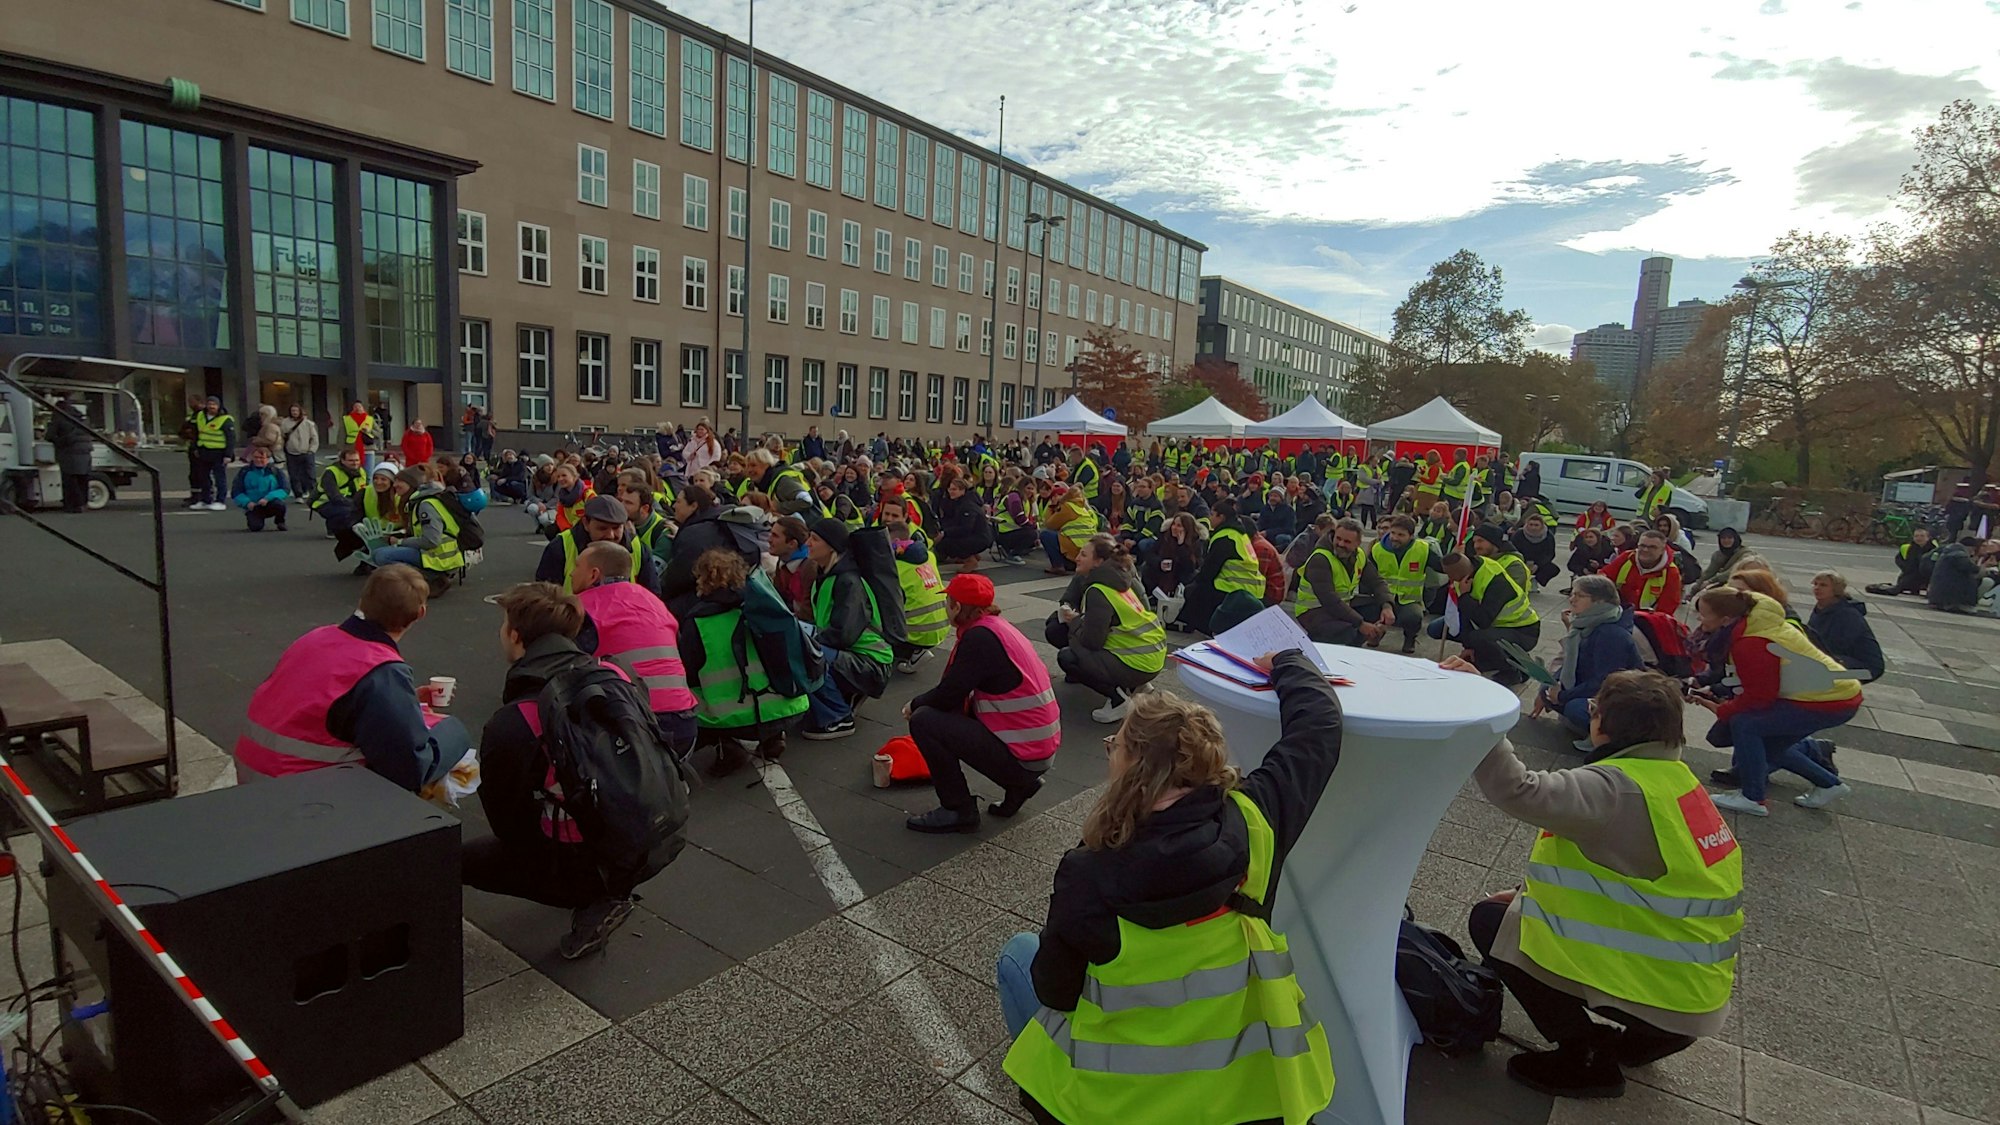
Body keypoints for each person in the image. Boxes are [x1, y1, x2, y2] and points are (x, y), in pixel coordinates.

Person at [998, 653, 1340, 1125]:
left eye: (1113, 746)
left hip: (1119, 1105)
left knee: (1018, 955)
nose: (1109, 753)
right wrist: (1287, 659)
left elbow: (1056, 990)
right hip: (1246, 1096)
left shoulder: (1089, 871)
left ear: (1135, 767)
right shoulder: (1257, 820)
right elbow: (1319, 728)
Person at [1469, 671, 1740, 1099]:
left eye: (1595, 709)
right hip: (1692, 1000)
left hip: (1654, 999)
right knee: (1513, 908)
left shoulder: (1615, 789)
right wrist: (1525, 897)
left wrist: (1481, 714)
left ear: (1604, 725)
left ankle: (1583, 1058)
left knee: (1490, 921)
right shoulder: (1675, 781)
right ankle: (1631, 1042)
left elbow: (1517, 788)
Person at [463, 582, 672, 959]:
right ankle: (608, 884)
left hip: (586, 858)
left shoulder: (516, 721)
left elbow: (507, 825)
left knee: (460, 861)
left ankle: (595, 897)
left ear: (515, 635)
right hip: (657, 835)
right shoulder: (617, 675)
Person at [232, 564, 470, 789]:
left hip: (255, 777)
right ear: (420, 613)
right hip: (302, 793)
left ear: (362, 602)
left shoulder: (316, 638)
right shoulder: (381, 669)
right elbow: (410, 768)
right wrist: (455, 731)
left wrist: (407, 702)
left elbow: (324, 704)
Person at [901, 573, 1061, 833]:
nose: (945, 607)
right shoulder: (997, 627)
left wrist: (914, 704)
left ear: (957, 607)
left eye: (948, 602)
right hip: (1037, 749)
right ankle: (1021, 785)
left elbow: (948, 694)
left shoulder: (979, 639)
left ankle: (958, 809)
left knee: (924, 720)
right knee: (944, 715)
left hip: (1023, 756)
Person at [1693, 587, 1859, 814]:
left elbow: (1760, 696)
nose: (1698, 619)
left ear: (1725, 619)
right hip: (1837, 693)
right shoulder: (1756, 620)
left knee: (1745, 725)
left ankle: (1753, 798)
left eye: (1703, 614)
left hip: (1826, 699)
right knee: (1769, 746)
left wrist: (1723, 710)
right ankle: (1829, 784)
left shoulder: (1750, 641)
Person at [681, 548, 811, 776]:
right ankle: (773, 737)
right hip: (789, 708)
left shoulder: (698, 621)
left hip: (734, 717)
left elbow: (689, 671)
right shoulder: (763, 607)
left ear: (703, 580)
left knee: (687, 694)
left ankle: (727, 746)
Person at [801, 518, 895, 740]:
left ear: (832, 546)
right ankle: (842, 699)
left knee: (804, 654)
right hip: (859, 657)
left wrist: (807, 639)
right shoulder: (827, 576)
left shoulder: (847, 581)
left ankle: (838, 716)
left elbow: (844, 634)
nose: (808, 543)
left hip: (872, 662)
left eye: (814, 539)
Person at [1056, 536, 1168, 723]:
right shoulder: (1119, 580)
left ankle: (1118, 701)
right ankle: (1135, 687)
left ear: (1098, 562)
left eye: (1083, 554)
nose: (1077, 558)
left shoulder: (1098, 590)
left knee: (1068, 657)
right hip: (1152, 656)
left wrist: (1074, 622)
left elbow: (1092, 641)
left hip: (1138, 662)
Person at [1531, 576, 1643, 747]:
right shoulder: (1586, 624)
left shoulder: (1611, 634)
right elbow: (1572, 661)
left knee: (1574, 707)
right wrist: (1554, 686)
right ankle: (1589, 727)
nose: (1572, 599)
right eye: (1572, 593)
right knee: (1547, 689)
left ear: (1599, 602)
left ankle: (1615, 737)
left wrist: (1563, 695)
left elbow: (1606, 681)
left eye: (1580, 595)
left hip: (1622, 698)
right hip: (1594, 687)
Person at [1295, 517, 1404, 648]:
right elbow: (1329, 599)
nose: (1341, 544)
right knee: (1349, 632)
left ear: (1358, 543)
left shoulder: (1359, 555)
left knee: (1378, 608)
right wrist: (1360, 624)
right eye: (1338, 538)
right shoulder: (1320, 558)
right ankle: (1324, 646)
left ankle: (1359, 640)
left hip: (1340, 605)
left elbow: (1377, 581)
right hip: (1313, 611)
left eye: (1347, 541)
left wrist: (1387, 606)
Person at [1439, 550, 1541, 682]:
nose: (1449, 579)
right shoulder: (1465, 577)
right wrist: (1468, 647)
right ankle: (1505, 658)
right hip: (1500, 627)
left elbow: (1483, 619)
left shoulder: (1494, 579)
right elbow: (1463, 615)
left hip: (1523, 629)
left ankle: (1515, 671)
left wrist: (1465, 596)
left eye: (1449, 575)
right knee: (1469, 639)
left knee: (1479, 637)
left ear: (1458, 573)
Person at [535, 494, 663, 594]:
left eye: (616, 528)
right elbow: (546, 599)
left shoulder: (638, 547)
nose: (610, 535)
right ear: (586, 523)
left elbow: (652, 594)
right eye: (602, 528)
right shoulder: (560, 547)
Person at [369, 468, 467, 593]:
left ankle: (431, 578)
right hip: (433, 553)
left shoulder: (425, 505)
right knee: (379, 553)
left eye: (400, 481)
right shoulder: (419, 501)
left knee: (382, 556)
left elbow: (431, 541)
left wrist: (399, 542)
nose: (395, 485)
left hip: (438, 557)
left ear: (412, 484)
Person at [1177, 498, 1264, 635]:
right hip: (1251, 587)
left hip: (1234, 586)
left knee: (1195, 590)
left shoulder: (1225, 537)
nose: (1210, 518)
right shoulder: (1238, 534)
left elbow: (1210, 569)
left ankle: (1204, 627)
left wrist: (1193, 581)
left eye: (1212, 514)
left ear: (1221, 517)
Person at [881, 500, 948, 672]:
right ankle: (915, 650)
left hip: (918, 631)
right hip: (942, 624)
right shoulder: (928, 556)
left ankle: (909, 652)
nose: (888, 518)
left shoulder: (896, 568)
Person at [1368, 514, 1440, 655]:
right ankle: (1376, 633)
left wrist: (1456, 556)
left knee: (1413, 616)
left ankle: (1410, 639)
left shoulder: (1423, 549)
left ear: (1411, 536)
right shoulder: (1377, 550)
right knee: (1365, 610)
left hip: (1408, 600)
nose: (1394, 537)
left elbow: (1441, 566)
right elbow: (1368, 576)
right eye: (1393, 533)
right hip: (1382, 598)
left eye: (1401, 535)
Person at [1805, 571, 1884, 683]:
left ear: (1836, 589)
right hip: (1839, 657)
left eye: (1823, 585)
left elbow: (1836, 645)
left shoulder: (1847, 614)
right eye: (1815, 584)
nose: (1817, 588)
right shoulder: (1822, 607)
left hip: (1863, 666)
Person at [1601, 531, 1683, 615]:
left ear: (1662, 550)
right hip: (1616, 614)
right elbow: (1601, 581)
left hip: (1648, 620)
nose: (1645, 550)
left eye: (1652, 547)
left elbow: (1666, 609)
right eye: (1642, 545)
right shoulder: (1626, 558)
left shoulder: (1671, 572)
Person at [43, 392, 94, 514]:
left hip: (69, 452)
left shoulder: (59, 417)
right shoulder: (81, 417)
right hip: (86, 452)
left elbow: (49, 435)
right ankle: (83, 503)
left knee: (70, 480)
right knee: (83, 479)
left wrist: (58, 441)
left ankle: (73, 505)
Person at [931, 475, 992, 569]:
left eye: (954, 489)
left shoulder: (967, 505)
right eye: (950, 489)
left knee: (946, 543)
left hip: (980, 538)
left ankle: (969, 559)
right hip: (979, 535)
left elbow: (966, 528)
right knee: (947, 539)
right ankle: (969, 555)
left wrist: (944, 533)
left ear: (962, 490)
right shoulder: (959, 502)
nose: (951, 492)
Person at [1038, 483, 1098, 575]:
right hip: (1086, 548)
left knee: (1045, 535)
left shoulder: (1067, 507)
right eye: (1055, 495)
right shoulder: (1082, 507)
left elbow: (1050, 524)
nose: (1057, 497)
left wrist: (1051, 507)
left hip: (1075, 546)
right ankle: (1070, 563)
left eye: (1060, 495)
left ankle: (1058, 566)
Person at [230, 445, 291, 532]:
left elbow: (285, 489)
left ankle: (280, 521)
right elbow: (236, 491)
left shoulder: (276, 472)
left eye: (262, 458)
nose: (258, 460)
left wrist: (267, 498)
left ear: (268, 459)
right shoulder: (244, 472)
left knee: (280, 505)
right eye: (256, 457)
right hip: (253, 506)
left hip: (270, 503)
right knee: (255, 528)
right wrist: (247, 503)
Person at [189, 395, 235, 510]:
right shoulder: (200, 415)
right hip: (203, 450)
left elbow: (231, 438)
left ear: (218, 406)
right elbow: (195, 433)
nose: (211, 407)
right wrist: (195, 448)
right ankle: (205, 500)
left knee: (220, 477)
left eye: (214, 404)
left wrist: (228, 455)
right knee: (203, 477)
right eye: (209, 404)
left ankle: (220, 501)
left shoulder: (225, 419)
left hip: (218, 452)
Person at [314, 446, 367, 540]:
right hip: (324, 502)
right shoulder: (331, 472)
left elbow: (364, 491)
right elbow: (334, 496)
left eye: (357, 460)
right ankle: (332, 527)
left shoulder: (361, 471)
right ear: (342, 461)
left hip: (347, 501)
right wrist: (354, 505)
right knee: (347, 511)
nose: (355, 463)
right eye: (351, 460)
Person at [1866, 528, 1937, 596]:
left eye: (1922, 536)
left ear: (1928, 538)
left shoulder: (1934, 549)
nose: (1919, 538)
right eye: (1916, 536)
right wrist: (1906, 568)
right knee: (1899, 587)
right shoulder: (1907, 547)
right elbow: (1899, 560)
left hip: (1927, 577)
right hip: (1910, 574)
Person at [1926, 535, 1986, 613]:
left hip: (1938, 594)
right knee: (1973, 580)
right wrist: (1982, 567)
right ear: (1971, 548)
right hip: (1949, 597)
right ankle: (1961, 604)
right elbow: (1972, 568)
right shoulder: (1959, 555)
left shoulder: (1948, 551)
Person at [279, 403, 320, 504]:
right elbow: (281, 437)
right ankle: (298, 494)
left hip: (306, 452)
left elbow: (314, 438)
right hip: (291, 453)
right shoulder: (285, 423)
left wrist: (312, 450)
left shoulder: (308, 423)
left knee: (310, 474)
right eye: (293, 411)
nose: (294, 413)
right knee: (294, 475)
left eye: (296, 411)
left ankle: (313, 493)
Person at [1690, 527, 1746, 594]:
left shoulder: (1745, 554)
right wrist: (1695, 588)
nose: (1726, 540)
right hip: (1724, 584)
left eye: (1730, 538)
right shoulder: (1718, 555)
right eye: (1723, 538)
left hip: (1741, 585)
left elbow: (1733, 571)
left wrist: (1711, 581)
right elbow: (1709, 572)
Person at [1510, 513, 1560, 588]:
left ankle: (1535, 580)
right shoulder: (1519, 534)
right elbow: (1512, 550)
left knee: (1553, 569)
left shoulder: (1548, 536)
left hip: (1538, 563)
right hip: (1521, 561)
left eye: (1536, 525)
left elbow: (1550, 554)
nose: (1533, 527)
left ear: (1542, 526)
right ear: (1526, 524)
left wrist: (1538, 565)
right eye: (1531, 524)